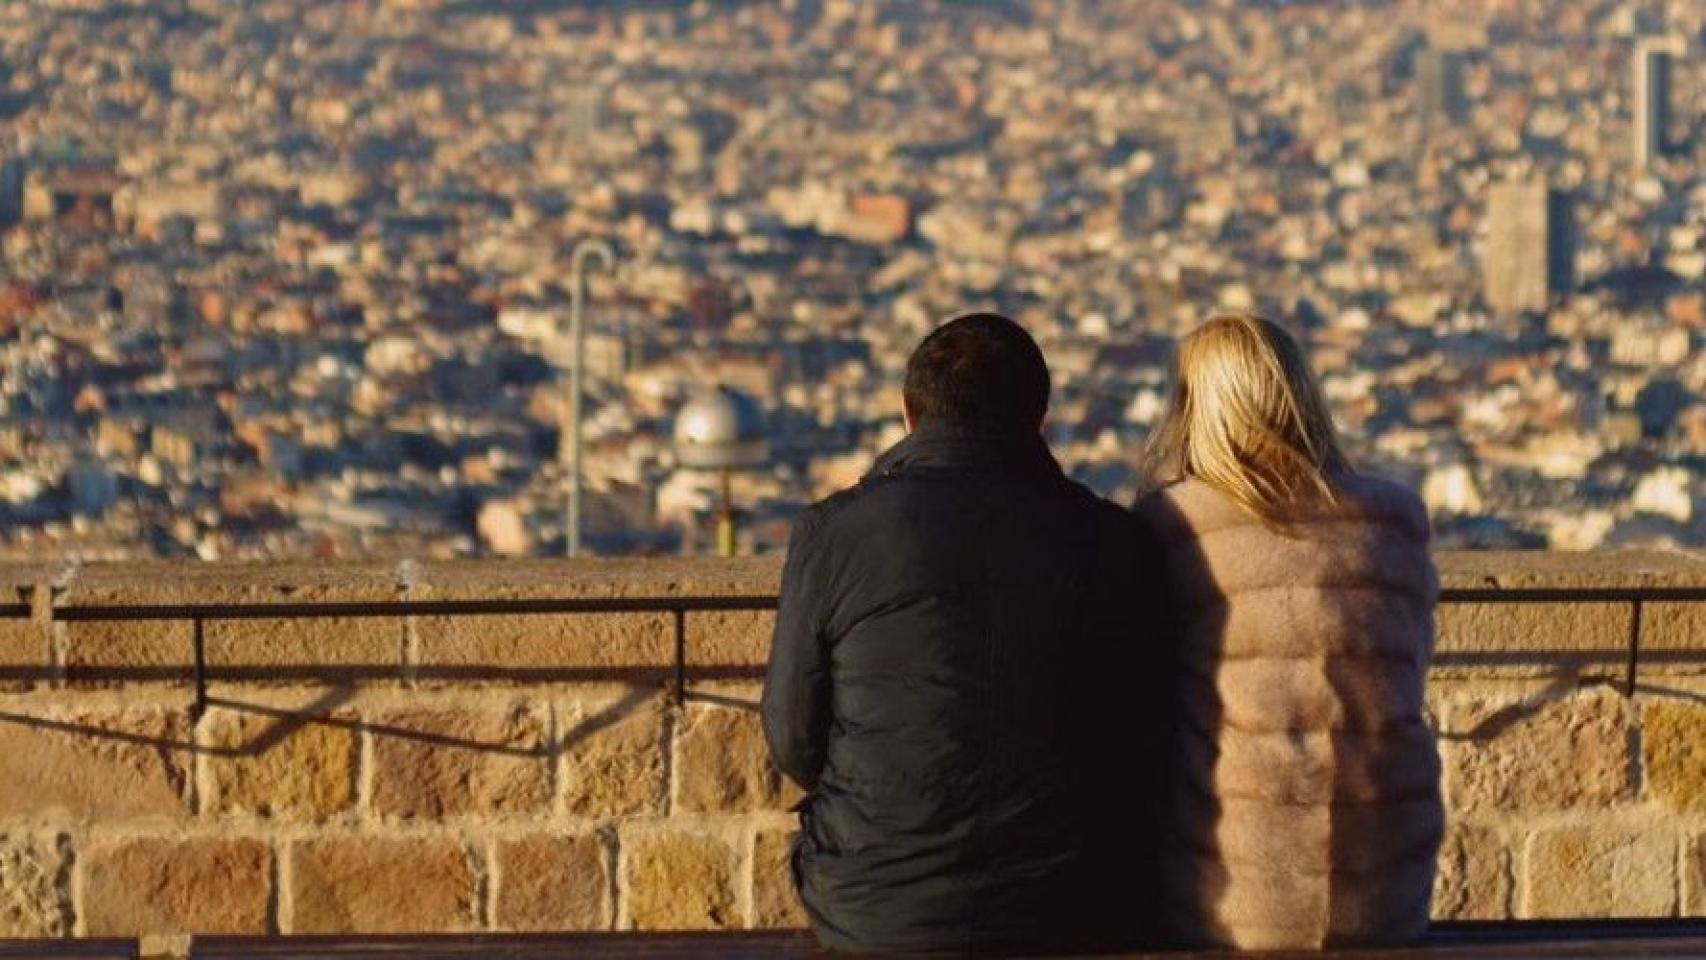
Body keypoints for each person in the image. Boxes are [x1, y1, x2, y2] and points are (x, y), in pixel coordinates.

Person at [762, 313, 1173, 955]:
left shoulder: (835, 533)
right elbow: (1141, 734)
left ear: (908, 414)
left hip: (878, 904)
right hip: (1071, 902)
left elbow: (793, 740)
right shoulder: (1111, 540)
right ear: (1039, 418)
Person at [1133, 314, 1443, 950]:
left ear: (1198, 408)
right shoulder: (1392, 519)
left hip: (1235, 889)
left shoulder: (1177, 522)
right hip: (1385, 886)